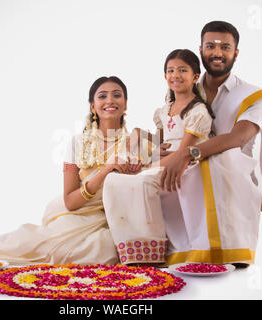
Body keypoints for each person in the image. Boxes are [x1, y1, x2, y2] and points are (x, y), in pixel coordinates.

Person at [0, 76, 150, 265]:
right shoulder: (77, 144)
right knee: (31, 247)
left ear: (126, 103)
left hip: (110, 220)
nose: (110, 101)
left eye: (117, 95)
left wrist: (148, 142)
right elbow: (71, 201)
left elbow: (165, 160)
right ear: (93, 106)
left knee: (105, 251)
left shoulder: (137, 141)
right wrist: (106, 170)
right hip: (75, 214)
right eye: (102, 96)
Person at [160, 21, 262, 267]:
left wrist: (187, 154)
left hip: (231, 168)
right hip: (187, 160)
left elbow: (238, 138)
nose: (217, 52)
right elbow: (170, 126)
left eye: (225, 47)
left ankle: (224, 251)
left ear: (235, 53)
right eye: (210, 46)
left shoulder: (252, 95)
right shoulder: (185, 85)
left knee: (218, 161)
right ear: (201, 50)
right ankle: (171, 251)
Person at [102, 49, 213, 265]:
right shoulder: (164, 110)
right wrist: (139, 135)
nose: (176, 75)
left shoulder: (198, 111)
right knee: (113, 180)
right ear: (165, 77)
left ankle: (153, 249)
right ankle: (131, 250)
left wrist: (149, 166)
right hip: (163, 160)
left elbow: (183, 151)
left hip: (185, 162)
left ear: (195, 76)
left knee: (143, 181)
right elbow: (160, 140)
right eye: (170, 70)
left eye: (183, 70)